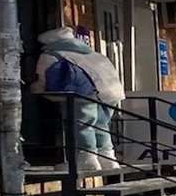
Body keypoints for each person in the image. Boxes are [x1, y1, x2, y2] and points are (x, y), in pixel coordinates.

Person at [31, 26, 125, 171]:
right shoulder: (92, 53)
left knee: (82, 124)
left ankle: (86, 159)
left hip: (82, 93)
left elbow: (43, 79)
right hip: (110, 92)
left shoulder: (52, 54)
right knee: (101, 125)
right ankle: (107, 159)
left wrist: (36, 90)